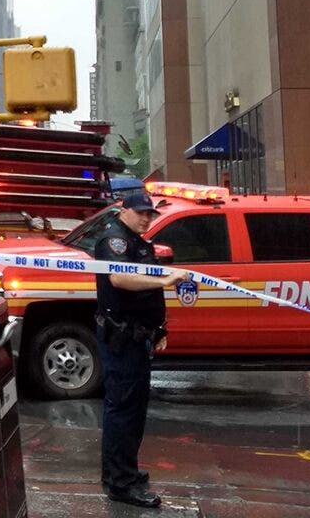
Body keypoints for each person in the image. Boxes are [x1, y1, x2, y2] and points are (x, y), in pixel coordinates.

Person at [94, 191, 192, 508]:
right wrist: (166, 279)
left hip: (138, 338)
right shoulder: (115, 240)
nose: (147, 218)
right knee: (122, 412)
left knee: (134, 411)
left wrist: (158, 328)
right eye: (141, 213)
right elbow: (121, 279)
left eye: (150, 214)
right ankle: (120, 483)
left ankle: (125, 471)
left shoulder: (137, 242)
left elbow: (144, 295)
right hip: (122, 339)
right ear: (125, 210)